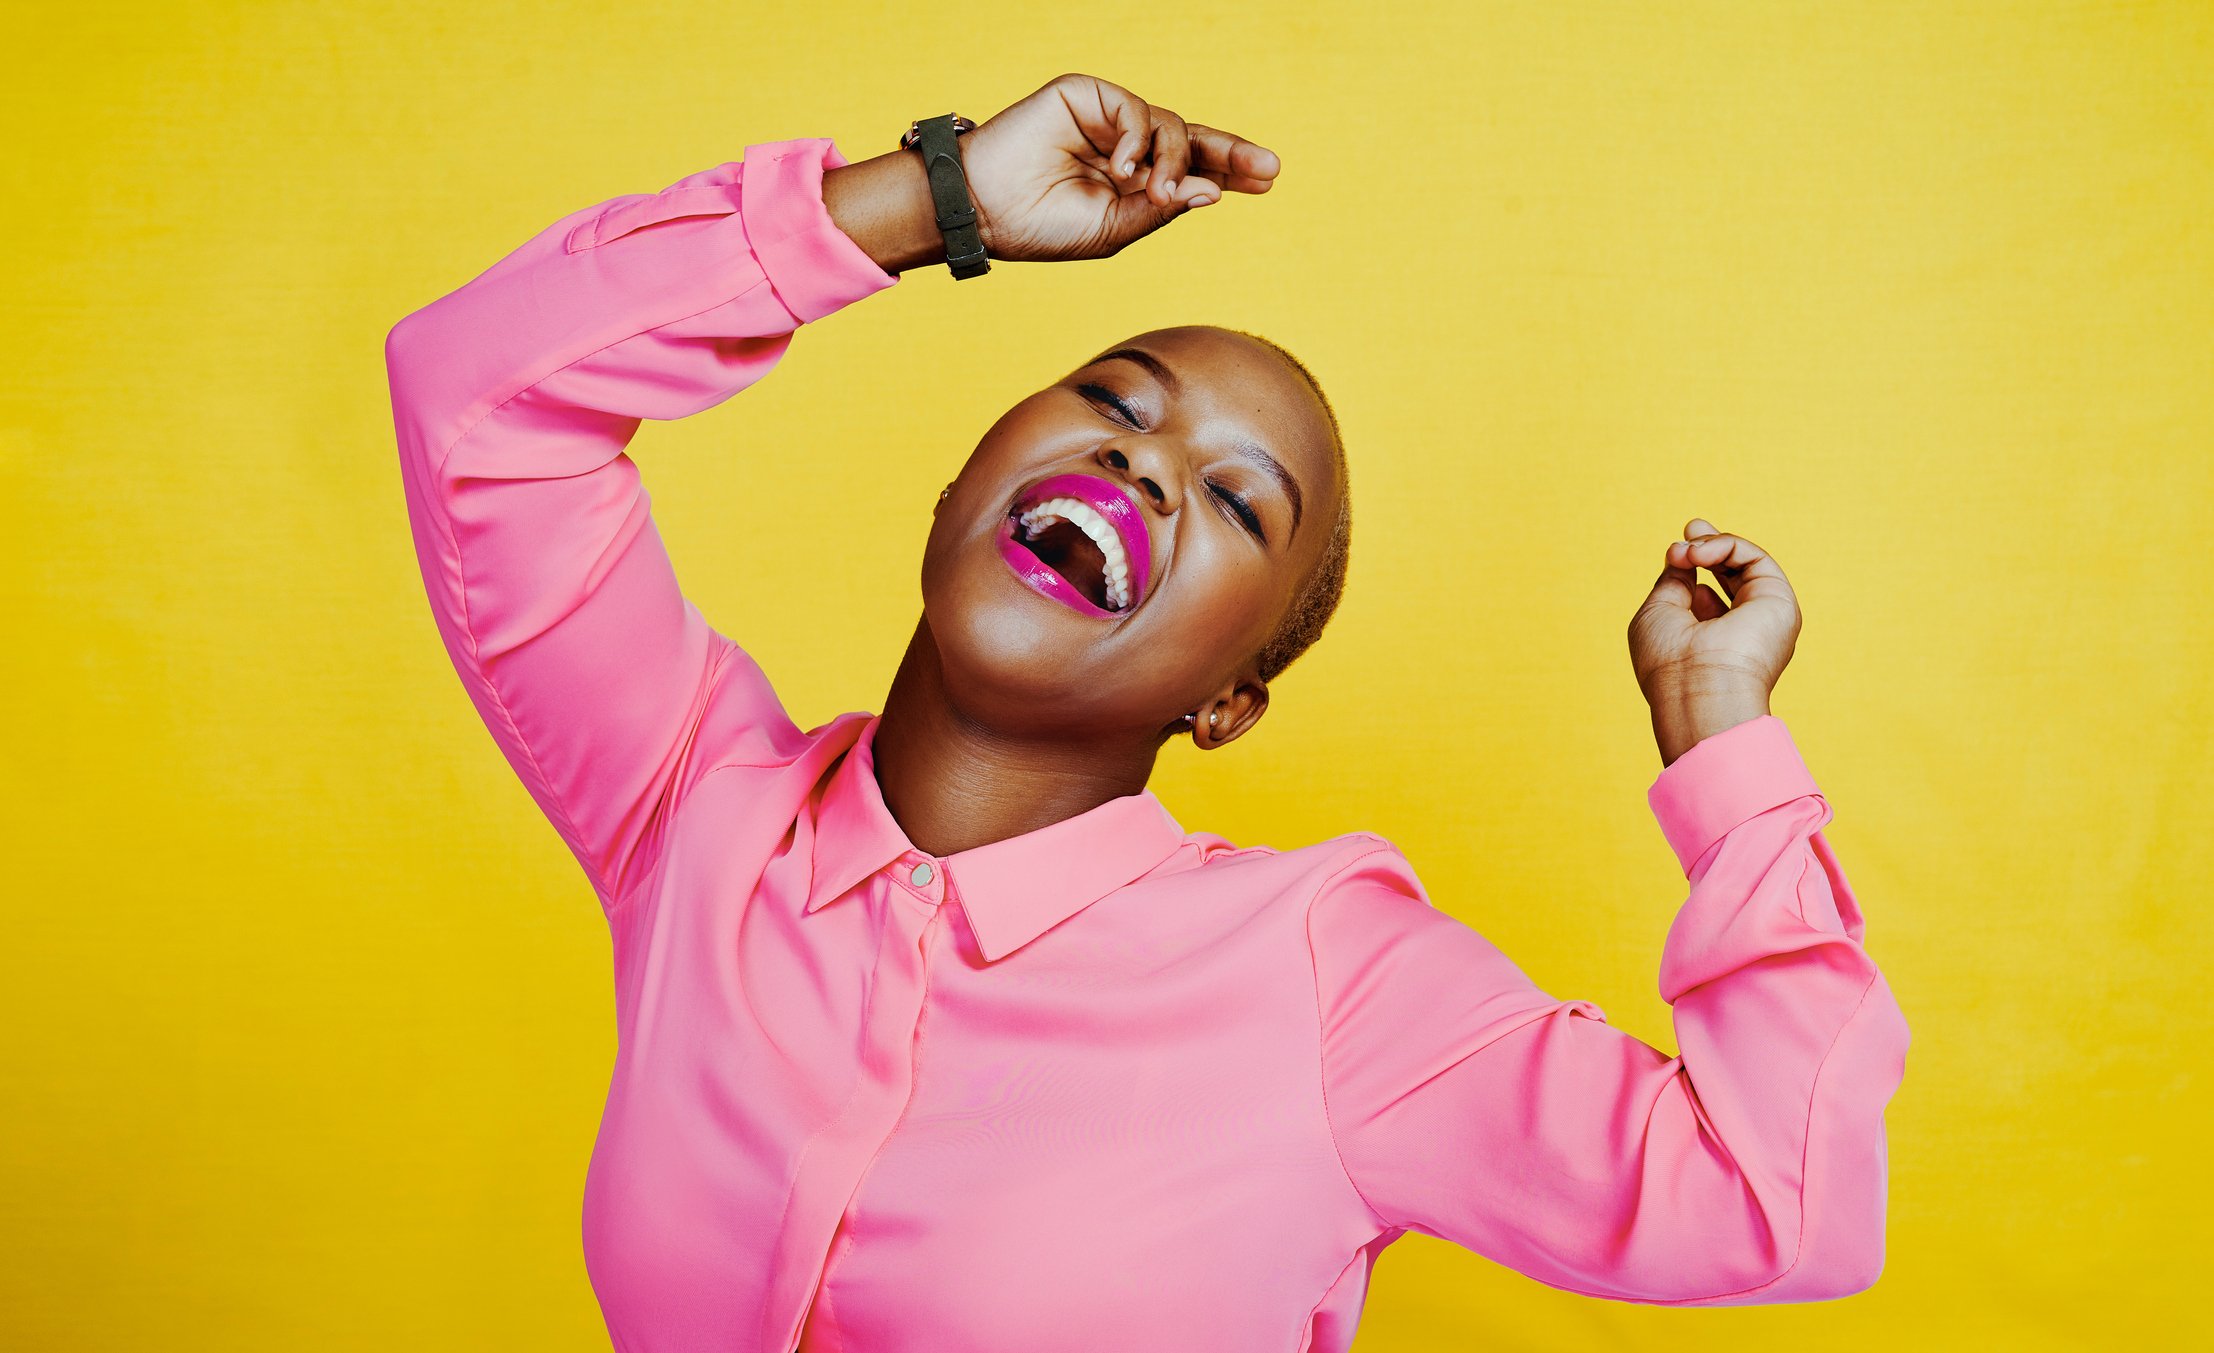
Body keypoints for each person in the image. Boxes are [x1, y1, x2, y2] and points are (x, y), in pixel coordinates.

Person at [385, 71, 1909, 1353]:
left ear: (1227, 701)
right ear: (962, 488)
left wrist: (1718, 728)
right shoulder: (695, 808)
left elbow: (1773, 1197)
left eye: (1239, 504)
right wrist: (939, 199)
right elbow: (474, 397)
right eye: (1113, 407)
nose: (1148, 464)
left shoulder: (1331, 978)